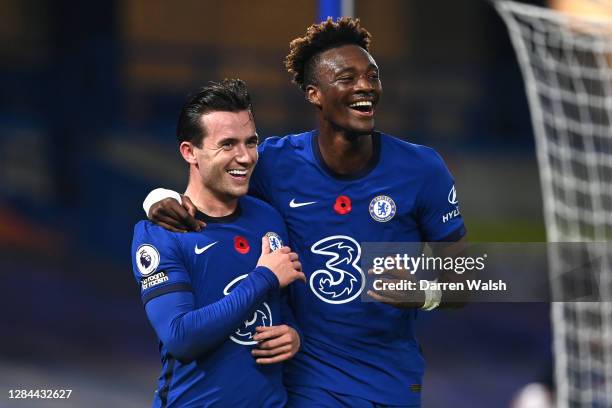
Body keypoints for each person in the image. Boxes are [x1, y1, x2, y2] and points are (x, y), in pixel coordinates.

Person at [144, 18, 467, 407]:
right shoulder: (275, 164)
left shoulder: (421, 169)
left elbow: (468, 277)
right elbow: (212, 176)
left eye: (372, 76)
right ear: (314, 93)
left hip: (390, 381)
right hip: (304, 382)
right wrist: (156, 197)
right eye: (347, 78)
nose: (365, 86)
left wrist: (426, 291)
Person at [131, 79, 306, 407]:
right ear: (190, 152)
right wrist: (263, 277)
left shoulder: (268, 218)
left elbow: (278, 305)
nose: (244, 157)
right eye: (227, 145)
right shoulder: (159, 233)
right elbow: (181, 337)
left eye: (251, 142)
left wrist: (292, 334)